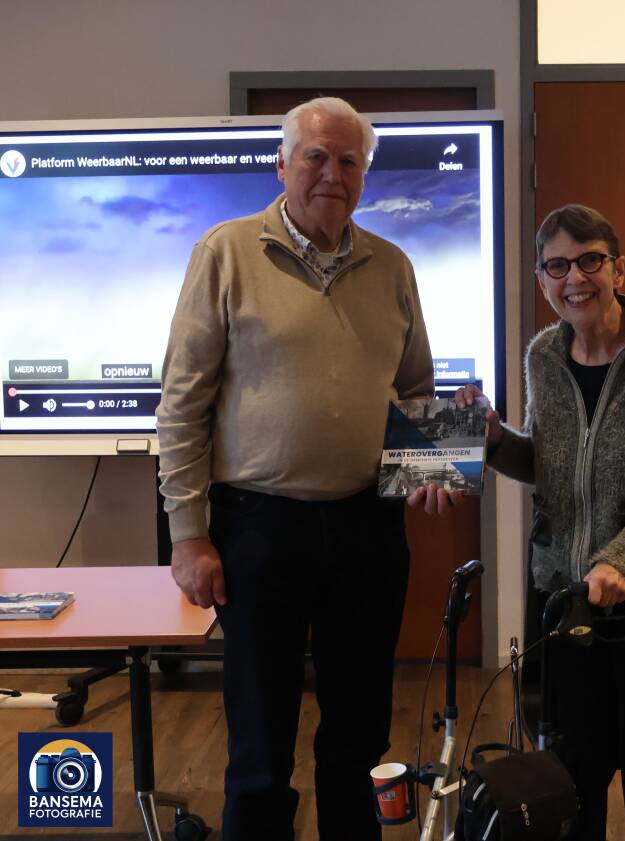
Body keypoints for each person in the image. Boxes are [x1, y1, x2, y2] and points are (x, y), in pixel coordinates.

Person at [156, 97, 433, 841]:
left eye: (349, 161)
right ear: (282, 164)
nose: (331, 173)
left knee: (359, 734)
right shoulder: (226, 252)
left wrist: (431, 466)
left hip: (368, 525)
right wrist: (188, 536)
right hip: (257, 527)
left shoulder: (393, 265)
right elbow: (182, 403)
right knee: (257, 742)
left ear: (365, 177)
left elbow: (415, 391)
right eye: (315, 156)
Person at [453, 204, 625, 841]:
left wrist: (621, 561)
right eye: (557, 266)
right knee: (572, 779)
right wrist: (492, 441)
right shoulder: (545, 353)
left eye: (589, 259)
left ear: (618, 269)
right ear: (544, 282)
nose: (575, 277)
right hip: (568, 603)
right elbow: (550, 465)